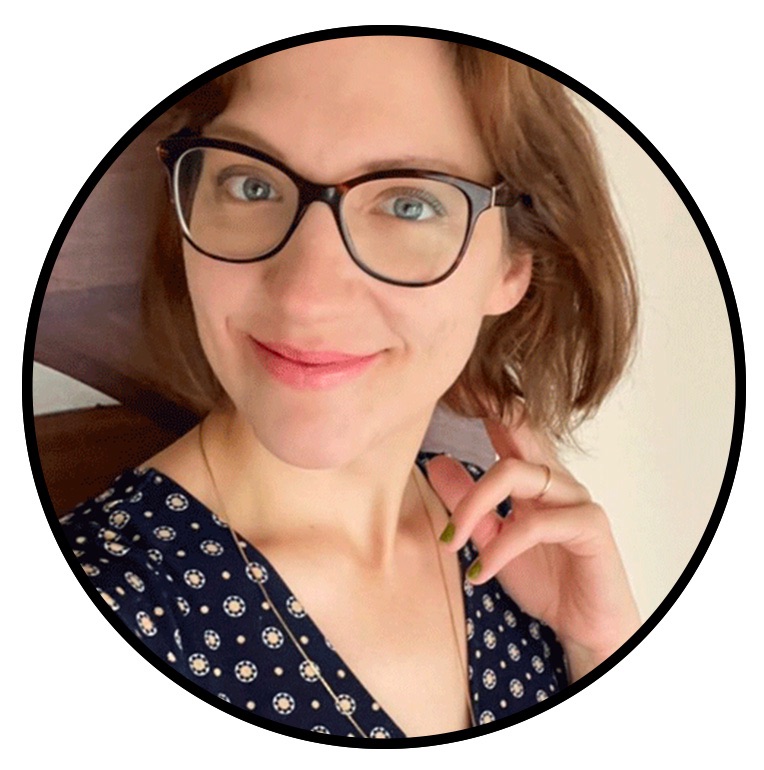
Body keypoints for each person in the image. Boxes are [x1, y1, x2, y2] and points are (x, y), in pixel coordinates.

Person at [59, 34, 641, 739]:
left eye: (408, 205)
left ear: (514, 266)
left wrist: (599, 649)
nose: (305, 298)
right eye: (252, 185)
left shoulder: (516, 553)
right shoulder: (99, 614)